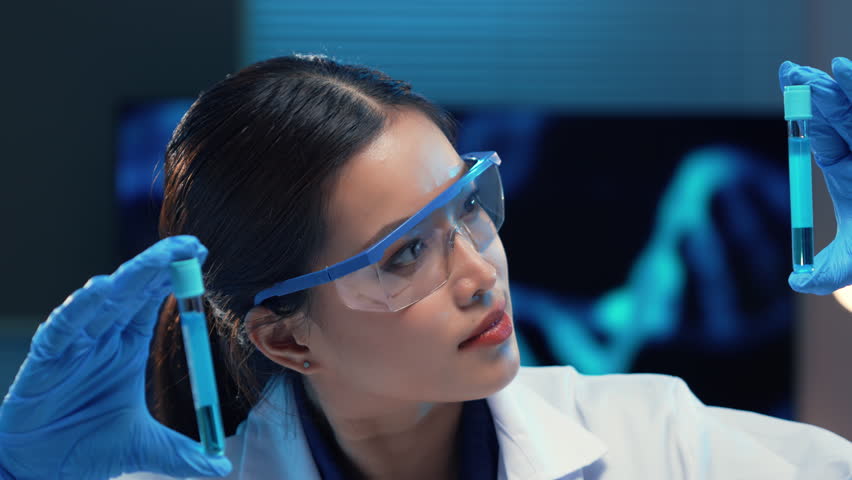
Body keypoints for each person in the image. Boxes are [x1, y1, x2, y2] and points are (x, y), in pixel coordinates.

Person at [1, 55, 851, 480]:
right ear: (287, 340)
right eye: (404, 252)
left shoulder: (661, 445)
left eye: (468, 206)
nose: (480, 273)